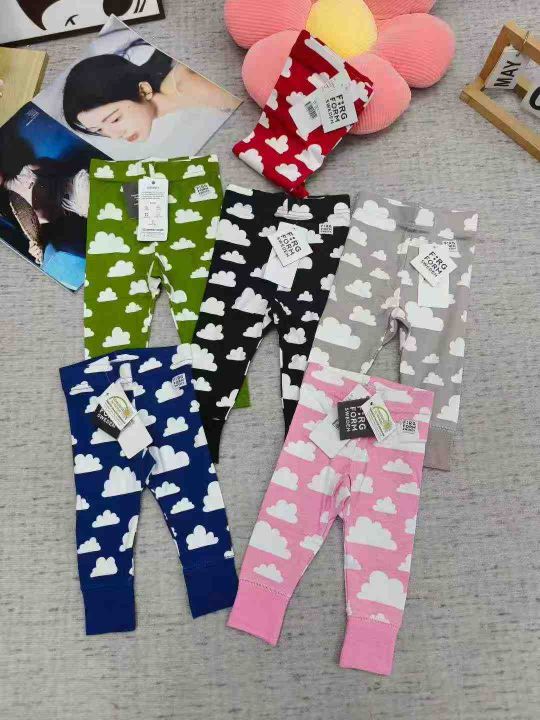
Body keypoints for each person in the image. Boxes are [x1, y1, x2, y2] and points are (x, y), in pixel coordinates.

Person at [63, 42, 239, 144]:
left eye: (115, 119)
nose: (115, 136)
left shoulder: (185, 84)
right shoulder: (172, 106)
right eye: (99, 130)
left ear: (144, 90)